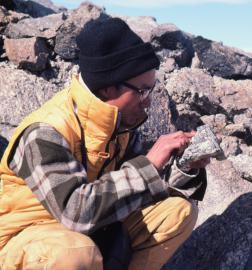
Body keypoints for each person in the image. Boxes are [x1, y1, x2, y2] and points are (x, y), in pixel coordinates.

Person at [0, 17, 208, 270]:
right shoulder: (46, 131)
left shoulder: (120, 126)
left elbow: (134, 192)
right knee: (75, 254)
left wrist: (185, 168)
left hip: (85, 233)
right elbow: (75, 213)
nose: (148, 102)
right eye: (142, 91)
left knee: (177, 213)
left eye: (151, 90)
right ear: (109, 88)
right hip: (25, 240)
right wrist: (150, 164)